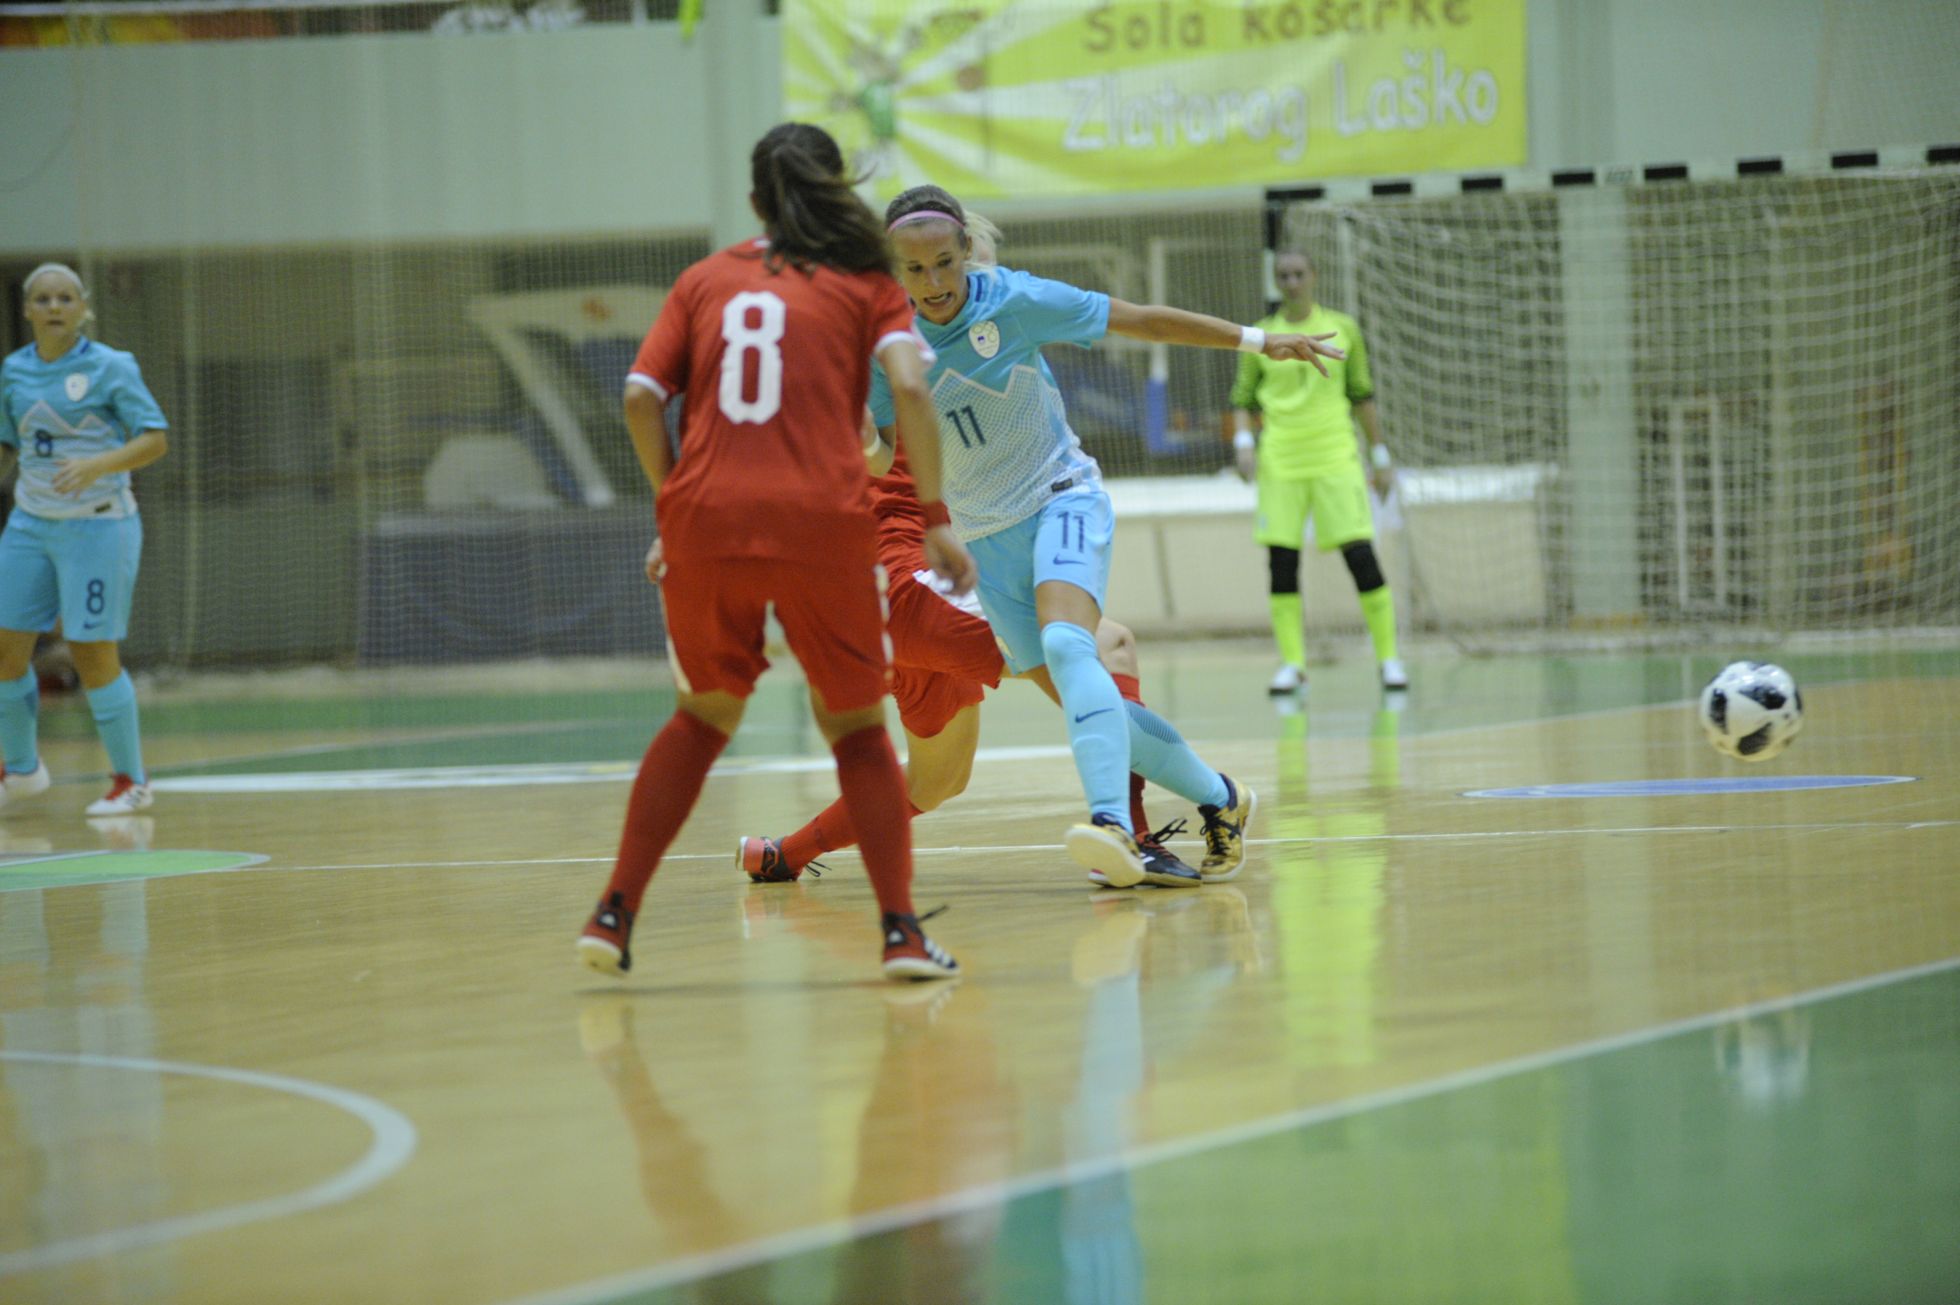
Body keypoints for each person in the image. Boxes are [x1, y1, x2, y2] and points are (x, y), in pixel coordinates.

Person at [575, 122, 976, 983]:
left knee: (698, 720)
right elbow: (910, 388)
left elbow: (641, 398)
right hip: (818, 520)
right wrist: (936, 516)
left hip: (706, 519)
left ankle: (614, 911)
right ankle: (901, 933)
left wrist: (674, 505)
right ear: (835, 189)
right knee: (858, 730)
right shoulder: (864, 280)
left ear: (757, 200)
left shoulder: (704, 280)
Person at [869, 185, 1343, 890]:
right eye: (915, 269)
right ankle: (1222, 796)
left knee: (1070, 645)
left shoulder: (1015, 299)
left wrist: (1257, 339)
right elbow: (884, 457)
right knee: (1090, 700)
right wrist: (849, 442)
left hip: (1061, 498)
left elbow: (1142, 320)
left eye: (945, 262)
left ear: (967, 250)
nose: (934, 282)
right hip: (987, 543)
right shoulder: (888, 345)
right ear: (894, 270)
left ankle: (1112, 824)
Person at [737, 431, 1203, 888]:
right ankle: (1133, 837)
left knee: (937, 780)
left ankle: (782, 855)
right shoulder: (909, 389)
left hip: (879, 598)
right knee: (1107, 647)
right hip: (908, 584)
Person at [0, 263, 169, 819]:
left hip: (99, 525)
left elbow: (155, 439)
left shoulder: (111, 366)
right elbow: (8, 445)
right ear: (27, 310)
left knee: (92, 652)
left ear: (83, 307)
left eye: (65, 298)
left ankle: (132, 780)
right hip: (30, 525)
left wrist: (98, 464)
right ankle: (22, 770)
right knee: (5, 650)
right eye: (43, 299)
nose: (54, 307)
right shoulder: (14, 371)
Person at [1231, 249, 1406, 695]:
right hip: (1282, 460)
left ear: (1314, 276)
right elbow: (1243, 399)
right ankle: (1293, 665)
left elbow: (1362, 394)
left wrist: (1380, 455)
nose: (1291, 283)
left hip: (1334, 456)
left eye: (1298, 274)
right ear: (1276, 281)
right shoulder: (1262, 335)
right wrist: (1243, 444)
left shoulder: (1344, 328)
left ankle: (1388, 659)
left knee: (1360, 554)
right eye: (1283, 276)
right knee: (1282, 562)